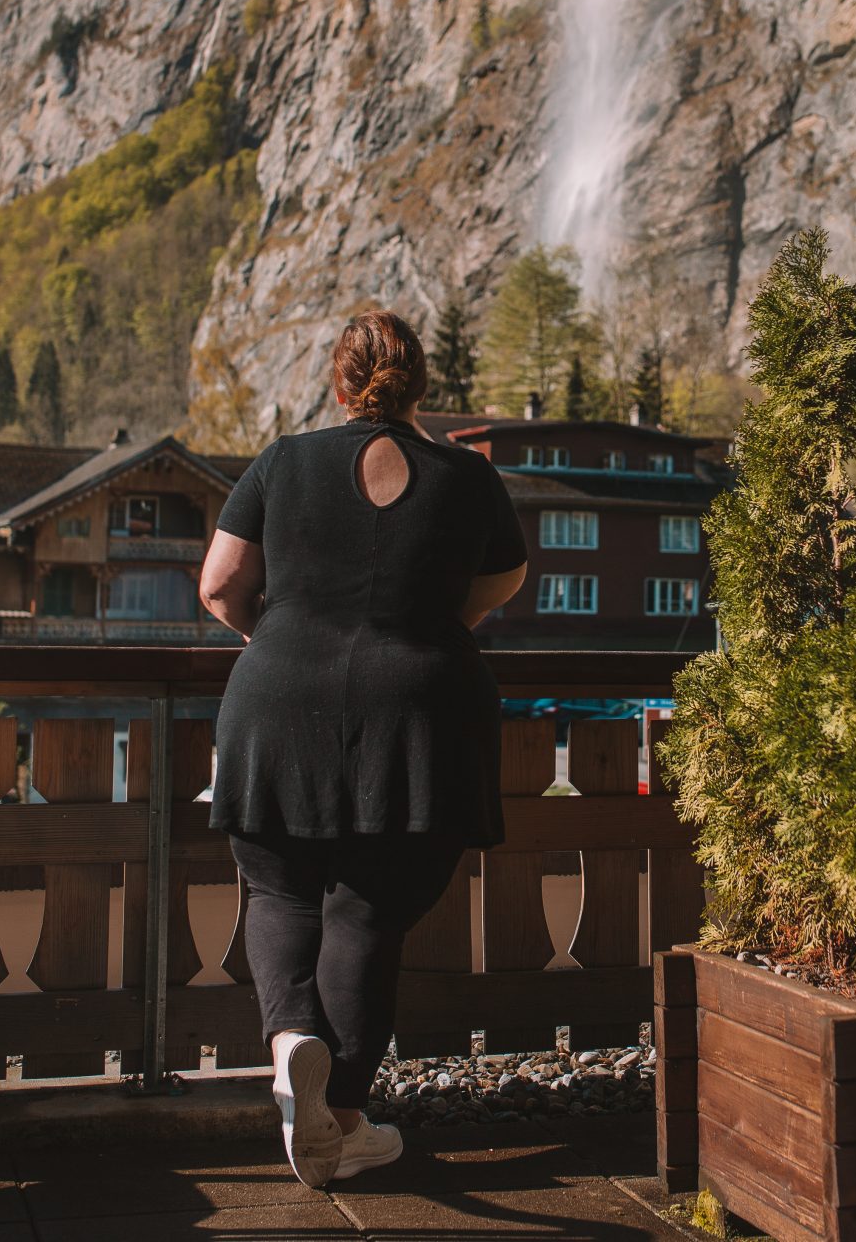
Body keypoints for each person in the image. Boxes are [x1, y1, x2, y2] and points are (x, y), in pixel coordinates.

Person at [198, 310, 528, 1186]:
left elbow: (221, 585)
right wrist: (420, 627)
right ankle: (342, 1118)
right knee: (368, 916)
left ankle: (293, 1044)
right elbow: (498, 583)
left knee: (278, 888)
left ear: (338, 385)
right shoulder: (468, 477)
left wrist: (277, 640)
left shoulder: (282, 462)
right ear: (419, 387)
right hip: (420, 711)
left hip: (275, 700)